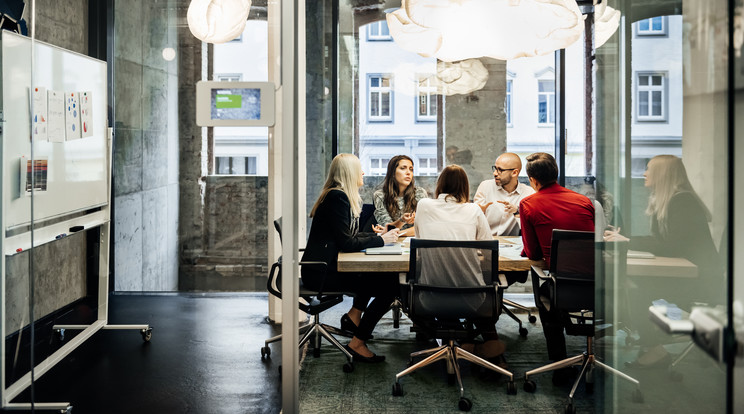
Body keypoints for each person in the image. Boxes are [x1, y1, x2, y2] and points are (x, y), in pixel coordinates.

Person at [301, 153, 400, 362]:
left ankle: (354, 318)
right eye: (359, 169)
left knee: (382, 280)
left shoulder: (336, 195)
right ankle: (357, 341)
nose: (363, 172)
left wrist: (378, 236)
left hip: (324, 267)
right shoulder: (337, 197)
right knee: (390, 286)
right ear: (349, 173)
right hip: (322, 273)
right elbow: (347, 243)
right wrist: (382, 241)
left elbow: (348, 237)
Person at [414, 165, 506, 361]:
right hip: (472, 299)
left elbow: (421, 241)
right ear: (465, 187)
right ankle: (481, 343)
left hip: (428, 297)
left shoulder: (423, 205)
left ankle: (443, 336)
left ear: (440, 184)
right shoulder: (473, 209)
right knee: (483, 282)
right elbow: (488, 250)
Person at [518, 152, 594, 384]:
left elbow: (534, 254)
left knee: (543, 290)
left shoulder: (529, 203)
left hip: (563, 288)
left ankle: (560, 365)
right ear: (556, 173)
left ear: (532, 180)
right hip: (597, 285)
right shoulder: (584, 201)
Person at [474, 152, 535, 236]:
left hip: (513, 245)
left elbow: (531, 229)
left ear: (514, 173)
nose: (495, 173)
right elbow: (474, 224)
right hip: (487, 242)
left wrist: (517, 212)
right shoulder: (485, 186)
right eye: (495, 168)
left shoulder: (529, 193)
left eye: (500, 170)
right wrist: (478, 213)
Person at [372, 155, 428, 237]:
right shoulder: (380, 195)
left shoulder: (420, 193)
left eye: (411, 169)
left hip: (413, 241)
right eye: (403, 168)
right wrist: (402, 220)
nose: (408, 173)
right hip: (391, 243)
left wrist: (397, 233)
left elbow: (424, 227)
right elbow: (388, 227)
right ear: (393, 173)